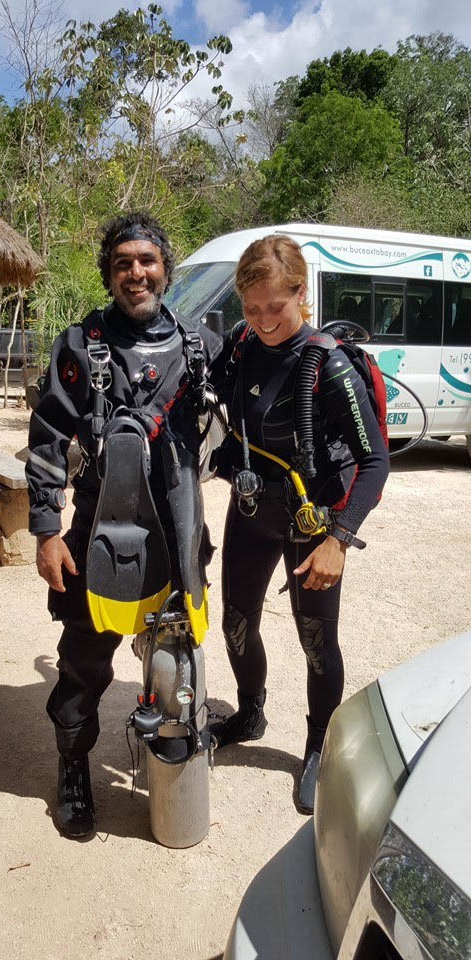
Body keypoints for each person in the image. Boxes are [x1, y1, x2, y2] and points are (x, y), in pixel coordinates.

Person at [26, 212, 220, 838]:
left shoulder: (200, 344)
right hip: (101, 530)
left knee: (176, 654)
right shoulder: (81, 345)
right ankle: (73, 767)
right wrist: (47, 529)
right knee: (85, 659)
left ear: (166, 265)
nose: (136, 273)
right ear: (109, 274)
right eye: (122, 264)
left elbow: (247, 416)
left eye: (147, 260)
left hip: (181, 532)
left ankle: (173, 761)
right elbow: (48, 436)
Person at [209, 235, 389, 813]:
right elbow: (196, 397)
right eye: (252, 307)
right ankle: (249, 711)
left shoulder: (328, 364)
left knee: (316, 642)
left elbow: (375, 461)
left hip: (315, 526)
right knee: (237, 622)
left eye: (275, 307)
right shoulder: (238, 349)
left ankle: (317, 747)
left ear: (300, 295)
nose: (263, 320)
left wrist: (339, 540)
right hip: (252, 514)